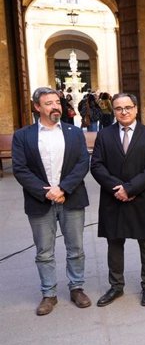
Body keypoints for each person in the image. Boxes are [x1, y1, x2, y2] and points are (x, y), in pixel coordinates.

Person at [12, 87, 91, 315]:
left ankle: (77, 288)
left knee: (75, 247)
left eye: (57, 102)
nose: (56, 106)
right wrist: (45, 191)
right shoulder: (23, 136)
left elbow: (82, 163)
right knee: (44, 251)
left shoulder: (74, 132)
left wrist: (63, 188)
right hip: (40, 201)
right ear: (37, 107)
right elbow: (20, 168)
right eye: (49, 103)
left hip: (71, 198)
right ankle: (49, 293)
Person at [90, 93, 145, 307]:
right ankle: (116, 286)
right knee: (114, 242)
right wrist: (117, 189)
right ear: (113, 111)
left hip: (142, 197)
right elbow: (96, 165)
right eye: (119, 108)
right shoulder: (104, 135)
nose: (124, 112)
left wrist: (130, 189)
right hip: (114, 199)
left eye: (128, 107)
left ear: (136, 108)